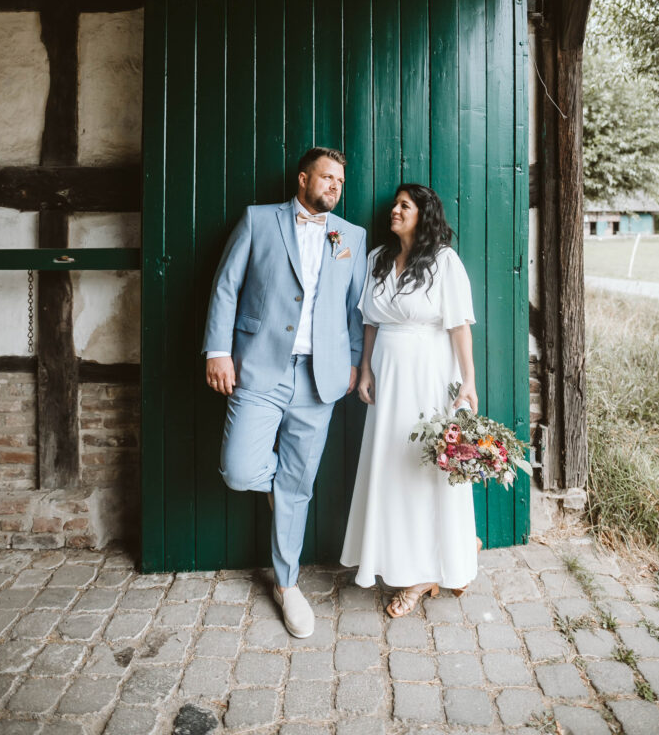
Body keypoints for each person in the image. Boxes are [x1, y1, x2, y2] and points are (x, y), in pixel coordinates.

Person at [203, 147, 367, 638]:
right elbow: (225, 287)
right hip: (258, 368)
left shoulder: (350, 236)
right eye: (326, 177)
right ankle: (288, 492)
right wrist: (217, 350)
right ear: (302, 178)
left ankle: (287, 583)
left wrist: (356, 365)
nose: (335, 186)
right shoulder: (258, 220)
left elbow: (355, 310)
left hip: (322, 379)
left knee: (299, 485)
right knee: (239, 470)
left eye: (340, 180)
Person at [341, 183, 480, 616]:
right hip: (389, 375)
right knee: (390, 464)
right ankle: (408, 554)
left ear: (424, 214)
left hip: (429, 374)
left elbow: (459, 327)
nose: (395, 211)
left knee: (425, 464)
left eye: (405, 206)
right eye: (395, 205)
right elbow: (369, 321)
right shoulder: (377, 259)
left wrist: (468, 382)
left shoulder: (443, 261)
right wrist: (365, 369)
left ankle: (424, 575)